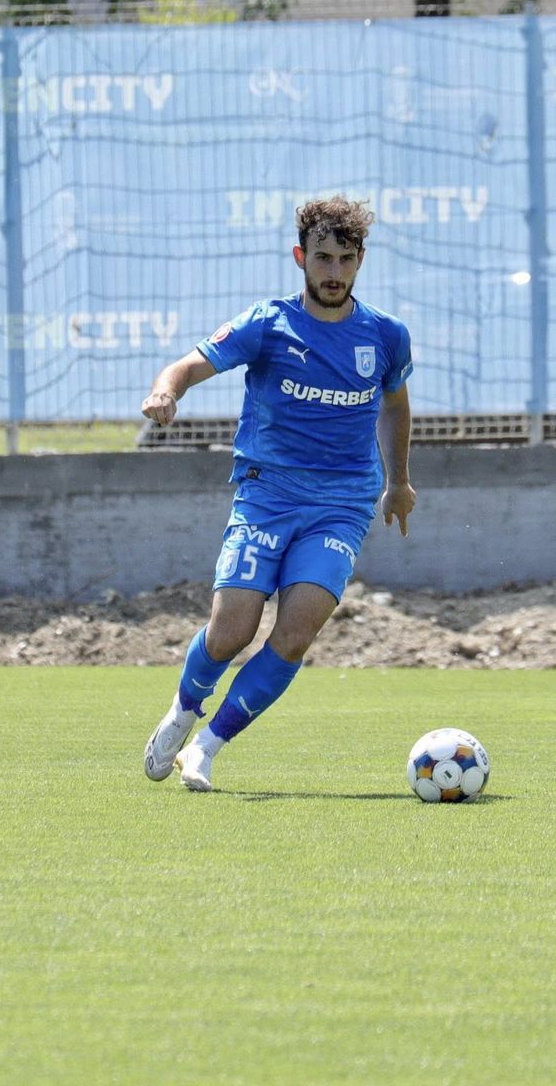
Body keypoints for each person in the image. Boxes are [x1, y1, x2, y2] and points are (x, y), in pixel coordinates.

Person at [141, 195, 415, 791]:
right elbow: (186, 365)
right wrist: (167, 391)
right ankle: (185, 709)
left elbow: (394, 404)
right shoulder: (267, 324)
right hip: (267, 494)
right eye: (323, 258)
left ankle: (207, 748)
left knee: (296, 632)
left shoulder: (387, 336)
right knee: (232, 630)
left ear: (361, 261)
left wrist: (398, 481)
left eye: (345, 259)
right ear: (301, 258)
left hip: (342, 505)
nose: (334, 272)